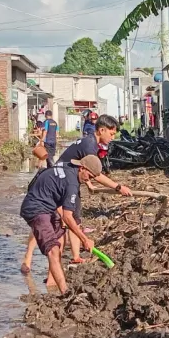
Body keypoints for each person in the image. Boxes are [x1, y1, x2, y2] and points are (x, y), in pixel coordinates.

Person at [20, 114, 131, 273]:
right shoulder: (90, 145)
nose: (112, 138)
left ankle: (72, 255)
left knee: (65, 219)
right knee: (54, 220)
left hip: (65, 179)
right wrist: (119, 187)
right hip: (62, 182)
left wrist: (88, 183)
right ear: (101, 130)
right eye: (111, 134)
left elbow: (85, 168)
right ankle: (35, 262)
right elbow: (95, 172)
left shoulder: (90, 141)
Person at [20, 156, 101, 293]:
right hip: (36, 209)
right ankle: (65, 292)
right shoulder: (72, 184)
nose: (89, 180)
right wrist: (84, 239)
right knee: (53, 249)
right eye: (89, 176)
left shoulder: (67, 166)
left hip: (45, 205)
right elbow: (68, 217)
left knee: (60, 236)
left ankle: (51, 282)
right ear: (82, 168)